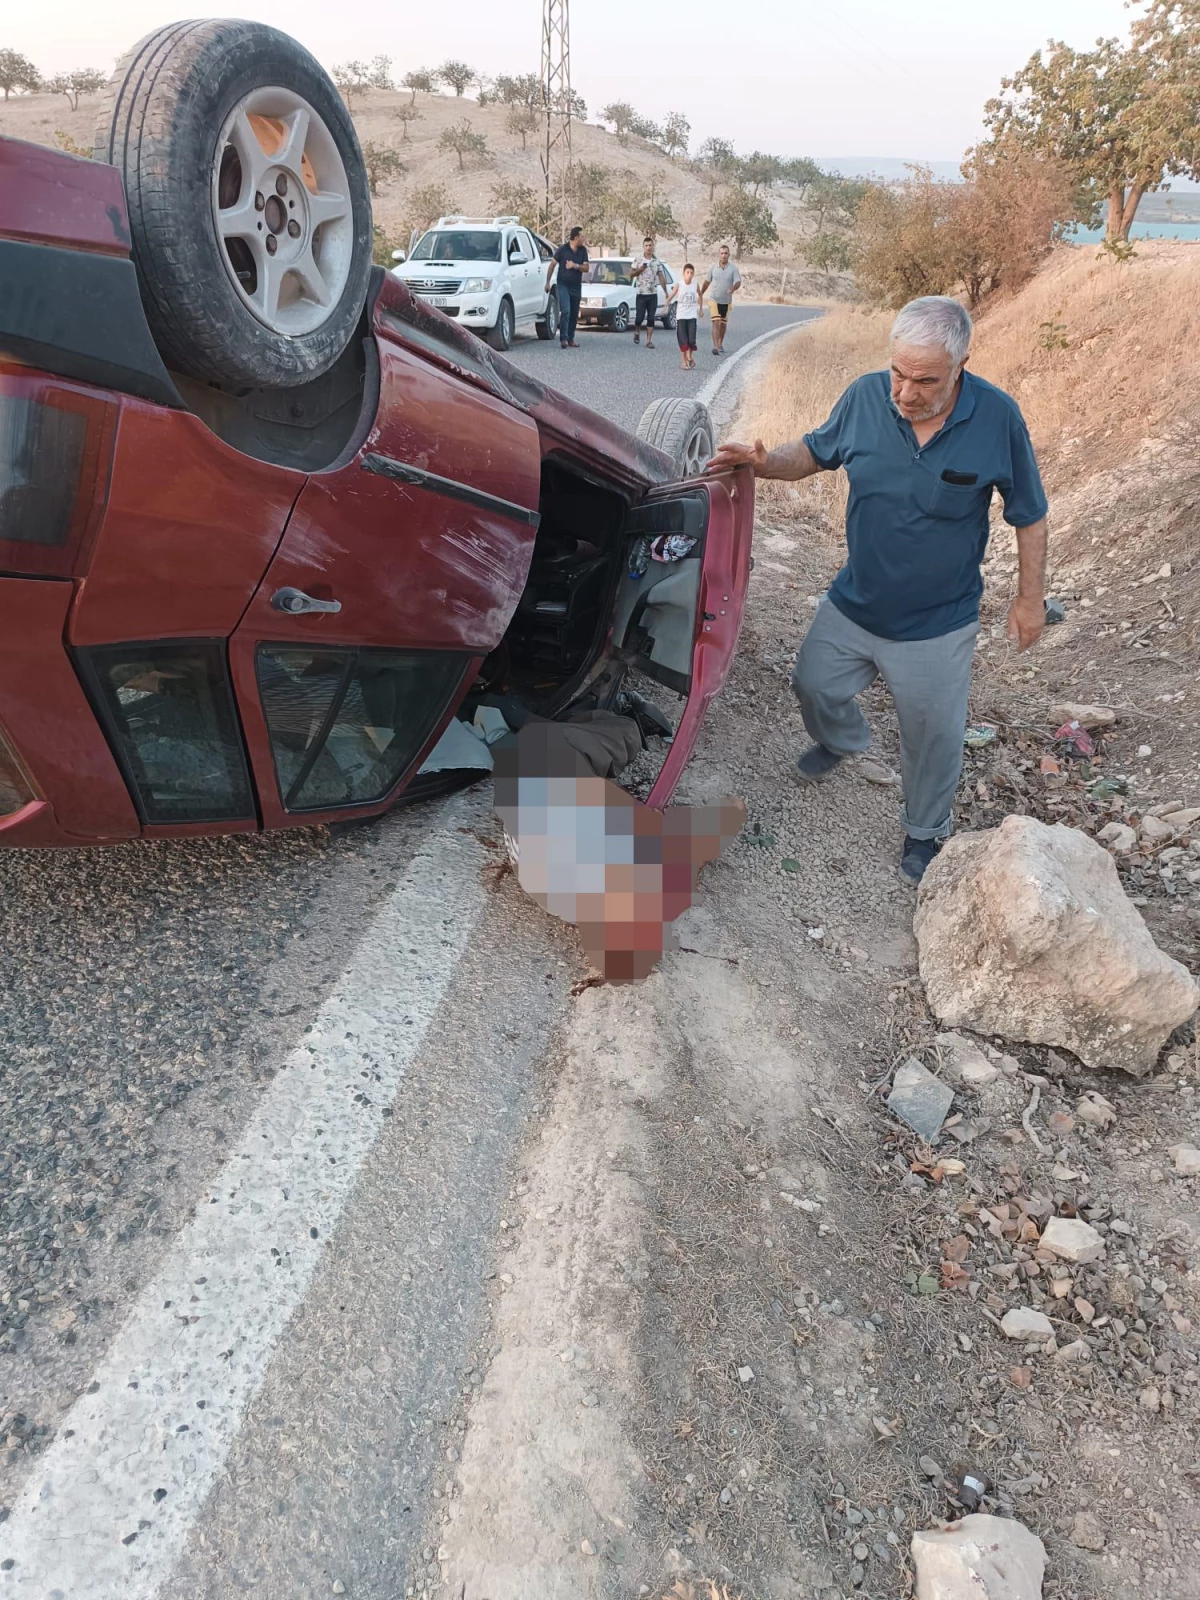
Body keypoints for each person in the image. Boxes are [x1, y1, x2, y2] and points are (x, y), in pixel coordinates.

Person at [706, 295, 1048, 884]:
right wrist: (764, 462)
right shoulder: (866, 396)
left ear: (962, 364)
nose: (907, 392)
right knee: (811, 684)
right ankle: (844, 740)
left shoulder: (998, 419)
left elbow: (1030, 515)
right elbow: (811, 455)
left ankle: (924, 832)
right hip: (856, 601)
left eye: (925, 380)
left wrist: (1029, 599)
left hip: (938, 621)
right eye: (899, 372)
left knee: (933, 734)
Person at [547, 225, 589, 348]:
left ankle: (571, 339)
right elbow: (552, 264)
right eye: (582, 236)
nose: (583, 238)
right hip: (563, 284)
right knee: (566, 310)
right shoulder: (563, 250)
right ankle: (563, 339)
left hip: (576, 286)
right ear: (576, 237)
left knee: (574, 313)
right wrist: (547, 282)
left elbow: (586, 268)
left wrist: (575, 265)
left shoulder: (583, 251)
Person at [701, 244, 741, 356]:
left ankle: (720, 343)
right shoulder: (713, 268)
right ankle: (715, 346)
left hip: (726, 301)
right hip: (714, 299)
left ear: (729, 255)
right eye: (721, 253)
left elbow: (738, 282)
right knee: (716, 321)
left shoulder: (733, 269)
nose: (723, 255)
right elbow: (706, 282)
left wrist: (733, 289)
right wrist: (701, 293)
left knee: (723, 324)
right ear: (719, 255)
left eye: (725, 253)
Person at [631, 235, 668, 348]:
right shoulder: (638, 260)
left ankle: (648, 341)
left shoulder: (656, 261)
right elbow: (631, 275)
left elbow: (661, 276)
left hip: (653, 294)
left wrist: (666, 291)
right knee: (639, 317)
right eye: (646, 245)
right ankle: (637, 331)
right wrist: (640, 269)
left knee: (651, 317)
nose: (648, 248)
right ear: (643, 247)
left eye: (650, 245)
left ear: (653, 247)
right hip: (641, 293)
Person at [667, 264, 701, 370]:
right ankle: (684, 362)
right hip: (681, 316)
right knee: (683, 341)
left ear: (693, 274)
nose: (689, 275)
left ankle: (689, 357)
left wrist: (700, 309)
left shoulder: (695, 284)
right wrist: (666, 305)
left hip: (692, 316)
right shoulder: (679, 284)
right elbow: (672, 295)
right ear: (683, 274)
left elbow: (700, 294)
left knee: (691, 340)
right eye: (687, 272)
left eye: (691, 273)